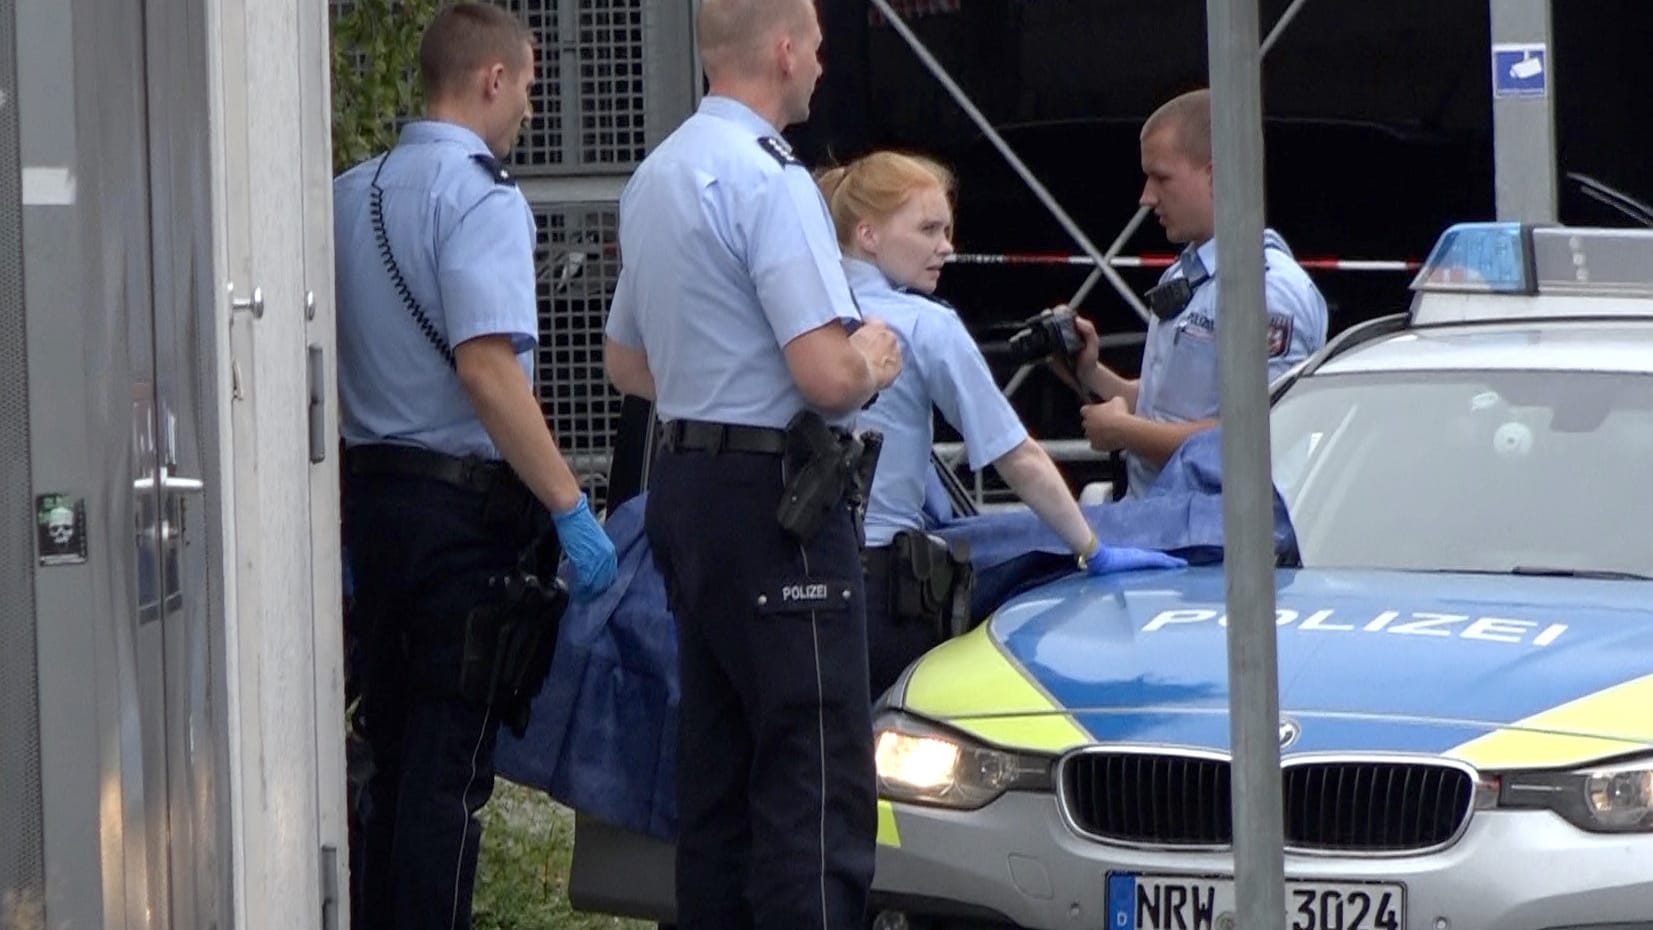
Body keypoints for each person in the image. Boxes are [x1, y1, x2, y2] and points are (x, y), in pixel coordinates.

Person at [601, 1, 902, 928]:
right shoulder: (772, 183)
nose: (820, 64)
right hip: (778, 501)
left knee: (719, 776)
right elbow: (824, 373)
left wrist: (716, 372)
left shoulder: (659, 172)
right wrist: (874, 359)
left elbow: (624, 360)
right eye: (814, 46)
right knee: (812, 782)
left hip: (687, 486)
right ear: (781, 50)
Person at [333, 5, 618, 929]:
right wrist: (571, 506)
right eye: (532, 84)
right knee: (447, 772)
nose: (530, 107)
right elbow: (487, 366)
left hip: (369, 505)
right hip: (460, 525)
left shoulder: (348, 192)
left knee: (387, 747)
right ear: (493, 78)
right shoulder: (483, 198)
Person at [818, 151, 1112, 698]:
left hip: (782, 575)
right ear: (868, 233)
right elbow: (1016, 456)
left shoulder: (796, 309)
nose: (946, 247)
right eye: (929, 229)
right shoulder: (925, 324)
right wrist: (1093, 548)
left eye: (947, 230)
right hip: (874, 583)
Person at [1075, 88, 1328, 495]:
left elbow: (1255, 437)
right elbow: (1175, 409)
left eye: (1161, 177)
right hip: (1170, 526)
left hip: (1219, 542)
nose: (1146, 196)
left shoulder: (1265, 290)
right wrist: (1091, 373)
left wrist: (1125, 432)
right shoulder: (1188, 274)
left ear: (1215, 175)